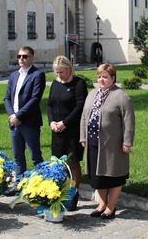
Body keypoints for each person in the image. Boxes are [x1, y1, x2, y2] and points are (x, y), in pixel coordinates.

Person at [80, 64, 135, 219]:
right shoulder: (92, 94)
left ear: (113, 78)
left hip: (112, 144)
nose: (101, 80)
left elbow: (129, 120)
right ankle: (102, 204)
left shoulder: (121, 96)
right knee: (98, 177)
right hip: (93, 141)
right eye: (99, 76)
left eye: (105, 76)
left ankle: (111, 206)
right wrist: (83, 137)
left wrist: (127, 141)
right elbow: (85, 116)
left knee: (113, 175)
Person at [3, 46, 46, 196]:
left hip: (29, 122)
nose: (21, 59)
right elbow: (7, 97)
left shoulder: (37, 75)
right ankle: (18, 185)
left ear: (32, 58)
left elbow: (35, 99)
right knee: (18, 156)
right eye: (19, 56)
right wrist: (11, 115)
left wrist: (19, 116)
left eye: (25, 56)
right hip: (14, 122)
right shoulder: (14, 75)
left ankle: (41, 187)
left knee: (35, 156)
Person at [47, 55, 88, 211]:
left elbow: (80, 106)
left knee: (73, 162)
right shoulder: (55, 84)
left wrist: (65, 123)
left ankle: (73, 194)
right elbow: (49, 105)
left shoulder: (78, 83)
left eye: (61, 72)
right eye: (57, 72)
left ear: (69, 69)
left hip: (72, 129)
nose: (59, 75)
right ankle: (62, 191)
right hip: (57, 130)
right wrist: (52, 122)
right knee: (60, 163)